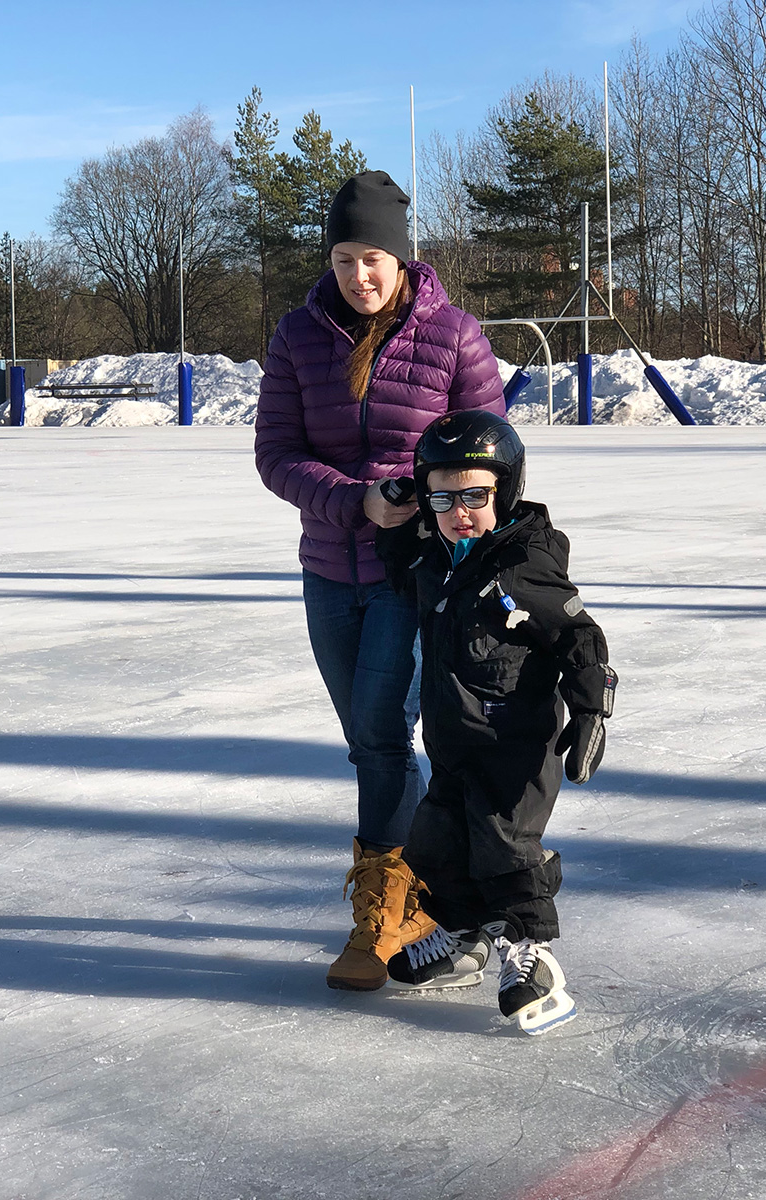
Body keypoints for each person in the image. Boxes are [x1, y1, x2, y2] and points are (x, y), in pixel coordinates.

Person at [254, 170, 505, 992]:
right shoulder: (299, 336)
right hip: (329, 570)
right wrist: (355, 500)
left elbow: (489, 455)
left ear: (401, 258)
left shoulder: (454, 336)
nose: (359, 276)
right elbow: (276, 454)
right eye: (343, 259)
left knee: (381, 734)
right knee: (370, 742)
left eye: (373, 259)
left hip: (413, 575)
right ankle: (419, 890)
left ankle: (387, 911)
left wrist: (428, 505)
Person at [375, 410, 617, 1034]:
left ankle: (533, 957)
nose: (459, 512)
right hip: (453, 739)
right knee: (437, 842)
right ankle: (463, 942)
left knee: (506, 847)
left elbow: (577, 636)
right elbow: (400, 569)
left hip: (515, 742)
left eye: (475, 497)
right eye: (442, 498)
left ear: (503, 492)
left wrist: (592, 706)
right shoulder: (438, 558)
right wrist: (396, 516)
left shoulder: (523, 564)